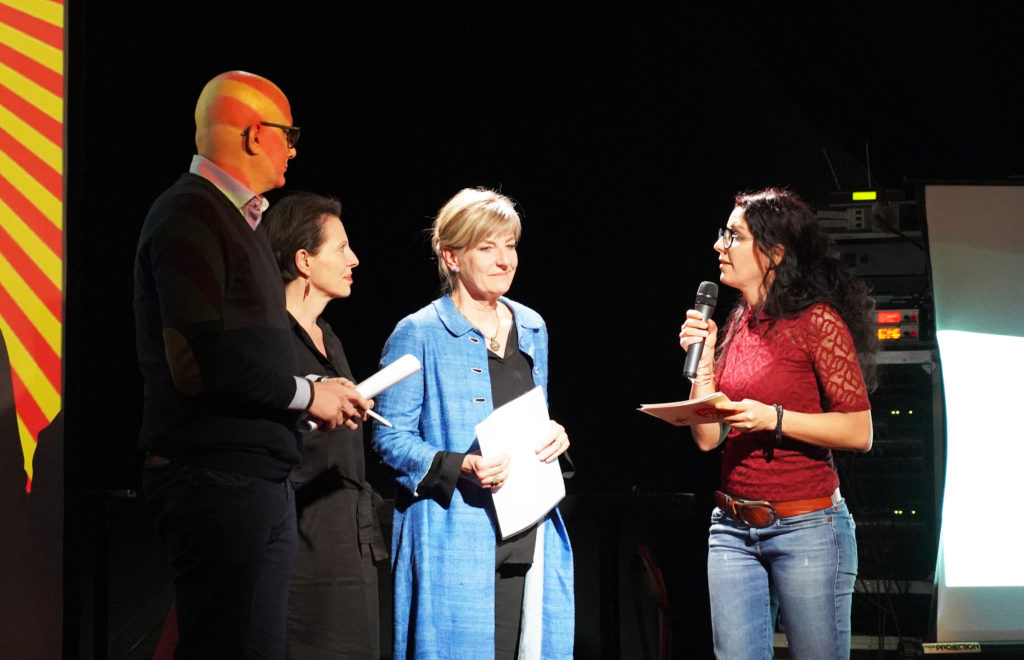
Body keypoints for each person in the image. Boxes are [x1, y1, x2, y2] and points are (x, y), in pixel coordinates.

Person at [134, 71, 371, 659]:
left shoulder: (241, 222)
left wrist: (310, 392)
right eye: (287, 134)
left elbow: (239, 363)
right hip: (217, 484)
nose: (293, 148)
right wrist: (305, 395)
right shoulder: (189, 214)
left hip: (252, 483)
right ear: (252, 134)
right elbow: (198, 364)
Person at [372, 187, 575, 659]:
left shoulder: (532, 326)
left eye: (511, 245)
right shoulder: (418, 332)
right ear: (452, 256)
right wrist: (459, 464)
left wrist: (556, 436)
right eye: (487, 248)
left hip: (528, 532)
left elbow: (531, 416)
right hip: (454, 541)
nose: (505, 260)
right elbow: (388, 438)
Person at [678, 187, 876, 659]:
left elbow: (859, 431)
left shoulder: (817, 322)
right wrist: (701, 361)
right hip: (730, 528)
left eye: (734, 236)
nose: (719, 246)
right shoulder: (735, 323)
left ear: (773, 253)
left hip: (806, 525)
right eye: (723, 234)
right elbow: (707, 438)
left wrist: (775, 419)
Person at [261, 192, 387, 659]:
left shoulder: (328, 336)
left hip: (350, 536)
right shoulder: (271, 336)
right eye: (340, 248)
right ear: (304, 261)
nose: (353, 259)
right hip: (302, 541)